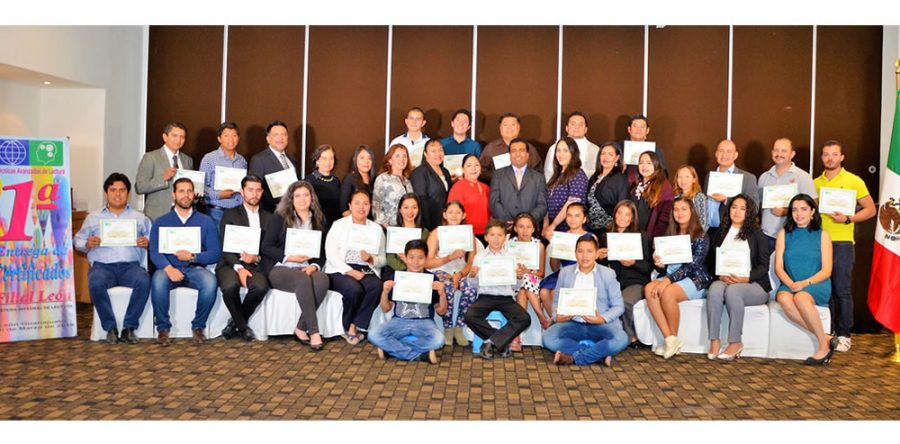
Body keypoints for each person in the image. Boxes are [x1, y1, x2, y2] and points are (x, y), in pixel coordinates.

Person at [812, 140, 876, 352]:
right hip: (819, 242)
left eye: (834, 154)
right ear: (821, 157)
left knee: (842, 289)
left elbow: (870, 210)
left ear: (842, 157)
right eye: (826, 154)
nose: (830, 158)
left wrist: (849, 218)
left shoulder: (853, 180)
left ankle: (844, 334)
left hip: (842, 242)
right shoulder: (814, 183)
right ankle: (827, 332)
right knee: (824, 289)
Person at [74, 173, 152, 344]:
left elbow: (153, 238)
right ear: (106, 193)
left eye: (122, 190)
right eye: (113, 190)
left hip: (130, 266)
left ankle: (129, 327)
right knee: (95, 282)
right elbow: (78, 240)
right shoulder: (93, 217)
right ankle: (110, 327)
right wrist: (87, 243)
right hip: (103, 266)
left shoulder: (139, 217)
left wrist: (146, 241)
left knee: (144, 280)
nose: (118, 194)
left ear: (128, 193)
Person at [149, 178, 222, 346]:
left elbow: (215, 253)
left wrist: (193, 257)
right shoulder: (160, 222)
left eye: (189, 191)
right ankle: (162, 328)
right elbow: (154, 251)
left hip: (194, 268)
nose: (186, 195)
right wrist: (168, 268)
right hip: (168, 269)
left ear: (194, 195)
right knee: (158, 280)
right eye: (181, 191)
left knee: (210, 282)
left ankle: (198, 327)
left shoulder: (206, 221)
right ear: (173, 195)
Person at [261, 181, 330, 351]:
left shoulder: (319, 220)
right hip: (280, 268)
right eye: (297, 195)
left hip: (306, 267)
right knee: (302, 280)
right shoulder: (280, 217)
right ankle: (314, 332)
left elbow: (322, 252)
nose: (302, 199)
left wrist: (314, 266)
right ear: (291, 199)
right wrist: (289, 256)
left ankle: (300, 328)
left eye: (306, 195)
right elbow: (266, 247)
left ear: (312, 198)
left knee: (322, 280)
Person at [543, 234, 629, 366]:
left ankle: (574, 358)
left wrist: (602, 318)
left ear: (596, 254)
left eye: (589, 251)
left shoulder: (608, 274)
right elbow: (556, 301)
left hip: (600, 324)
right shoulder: (565, 272)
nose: (584, 256)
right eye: (580, 251)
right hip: (573, 323)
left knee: (621, 339)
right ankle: (597, 355)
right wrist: (557, 317)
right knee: (547, 338)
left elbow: (618, 306)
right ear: (575, 253)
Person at [706, 194, 771, 361]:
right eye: (734, 207)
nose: (737, 211)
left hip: (754, 284)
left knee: (733, 292)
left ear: (749, 212)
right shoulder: (720, 233)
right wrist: (719, 274)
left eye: (743, 208)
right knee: (714, 290)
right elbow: (710, 261)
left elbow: (764, 267)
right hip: (724, 279)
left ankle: (735, 342)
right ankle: (714, 340)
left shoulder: (758, 235)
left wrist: (745, 278)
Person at [644, 196, 710, 359]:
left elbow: (692, 266)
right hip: (671, 276)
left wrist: (667, 281)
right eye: (676, 209)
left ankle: (672, 339)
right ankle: (670, 339)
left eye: (683, 209)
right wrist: (660, 264)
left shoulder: (701, 235)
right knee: (649, 288)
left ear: (691, 211)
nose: (679, 213)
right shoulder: (670, 234)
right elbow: (668, 264)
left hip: (694, 279)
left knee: (667, 293)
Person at [774, 194, 837, 365]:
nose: (799, 214)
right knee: (784, 298)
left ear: (812, 212)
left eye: (804, 209)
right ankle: (826, 337)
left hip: (816, 283)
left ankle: (823, 346)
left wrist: (805, 284)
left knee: (801, 298)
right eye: (794, 210)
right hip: (791, 282)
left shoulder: (823, 235)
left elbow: (827, 270)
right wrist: (790, 284)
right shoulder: (784, 234)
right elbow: (778, 267)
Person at [370, 239, 448, 364]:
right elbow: (386, 308)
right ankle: (419, 356)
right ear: (405, 258)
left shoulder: (432, 278)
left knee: (439, 340)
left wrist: (442, 293)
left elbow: (442, 311)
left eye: (420, 258)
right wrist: (384, 292)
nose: (416, 262)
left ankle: (390, 350)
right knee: (373, 334)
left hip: (424, 322)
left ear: (426, 258)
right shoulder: (397, 277)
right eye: (411, 258)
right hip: (399, 321)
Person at [324, 189, 386, 345]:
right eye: (357, 203)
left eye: (365, 203)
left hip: (365, 269)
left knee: (376, 286)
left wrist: (371, 258)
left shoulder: (376, 228)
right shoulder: (339, 225)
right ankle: (346, 327)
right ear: (350, 206)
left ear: (370, 206)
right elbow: (330, 253)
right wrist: (350, 271)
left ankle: (355, 325)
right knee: (354, 289)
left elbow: (383, 259)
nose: (361, 207)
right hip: (340, 269)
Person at [215, 175, 272, 342]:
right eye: (250, 190)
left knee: (261, 287)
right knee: (230, 286)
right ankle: (241, 326)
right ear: (242, 192)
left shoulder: (269, 217)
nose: (254, 194)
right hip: (229, 263)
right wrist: (239, 268)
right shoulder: (230, 214)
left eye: (258, 190)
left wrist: (256, 257)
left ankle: (233, 324)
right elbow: (225, 247)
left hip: (255, 264)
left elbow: (269, 247)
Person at [465, 219, 532, 359]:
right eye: (492, 235)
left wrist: (519, 277)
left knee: (524, 318)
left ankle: (491, 341)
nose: (496, 239)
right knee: (469, 316)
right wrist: (472, 275)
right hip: (485, 296)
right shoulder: (479, 257)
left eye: (500, 235)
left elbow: (515, 287)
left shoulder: (511, 257)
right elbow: (473, 285)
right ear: (486, 237)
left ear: (505, 237)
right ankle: (500, 340)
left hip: (506, 297)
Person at [597, 200, 652, 348]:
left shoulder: (641, 237)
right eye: (619, 213)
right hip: (614, 282)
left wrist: (633, 263)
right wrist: (599, 257)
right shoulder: (606, 236)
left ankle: (628, 336)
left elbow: (648, 267)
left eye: (627, 214)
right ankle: (605, 334)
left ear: (632, 218)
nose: (622, 217)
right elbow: (602, 268)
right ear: (614, 215)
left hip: (636, 282)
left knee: (625, 302)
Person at [425, 200, 477, 346]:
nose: (454, 216)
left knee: (470, 289)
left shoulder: (468, 234)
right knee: (447, 287)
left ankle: (459, 327)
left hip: (461, 271)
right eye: (450, 212)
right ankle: (447, 328)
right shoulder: (437, 232)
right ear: (444, 214)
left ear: (463, 215)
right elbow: (428, 262)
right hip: (441, 269)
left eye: (458, 212)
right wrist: (449, 257)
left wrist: (460, 275)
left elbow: (472, 262)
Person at [758, 137, 818, 252]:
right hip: (766, 237)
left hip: (792, 236)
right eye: (776, 150)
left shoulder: (803, 177)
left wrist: (786, 211)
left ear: (792, 154)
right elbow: (759, 206)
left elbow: (813, 205)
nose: (779, 154)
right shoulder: (764, 177)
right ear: (772, 153)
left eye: (784, 151)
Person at [539, 203, 590, 325]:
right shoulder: (560, 237)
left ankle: (564, 325)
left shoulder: (590, 237)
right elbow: (554, 267)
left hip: (583, 274)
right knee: (545, 291)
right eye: (569, 215)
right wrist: (555, 250)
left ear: (584, 219)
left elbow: (593, 264)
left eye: (577, 216)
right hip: (564, 272)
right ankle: (558, 323)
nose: (572, 219)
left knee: (556, 291)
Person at [135, 122, 193, 221]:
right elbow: (139, 187)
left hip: (183, 216)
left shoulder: (187, 160)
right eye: (174, 136)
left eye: (182, 137)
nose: (178, 140)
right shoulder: (151, 157)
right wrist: (163, 178)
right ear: (165, 137)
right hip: (157, 216)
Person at [704, 140, 758, 240]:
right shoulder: (709, 176)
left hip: (733, 234)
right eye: (721, 151)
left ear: (736, 155)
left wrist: (726, 200)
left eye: (729, 151)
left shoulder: (748, 178)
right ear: (716, 153)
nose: (724, 155)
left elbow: (754, 208)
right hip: (708, 232)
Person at [489, 138, 548, 227]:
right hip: (505, 227)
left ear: (528, 154)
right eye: (514, 151)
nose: (518, 154)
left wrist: (526, 221)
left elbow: (542, 205)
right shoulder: (498, 175)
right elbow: (494, 201)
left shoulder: (538, 177)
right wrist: (507, 220)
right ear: (509, 155)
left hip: (529, 229)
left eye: (521, 150)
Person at [199, 122, 248, 228]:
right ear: (219, 139)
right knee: (217, 243)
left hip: (238, 212)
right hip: (216, 212)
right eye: (226, 135)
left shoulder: (242, 161)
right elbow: (201, 186)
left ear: (238, 138)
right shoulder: (209, 159)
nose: (231, 139)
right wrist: (219, 195)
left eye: (234, 135)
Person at [542, 137, 590, 240]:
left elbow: (572, 203)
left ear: (573, 153)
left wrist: (553, 225)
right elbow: (546, 202)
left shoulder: (577, 174)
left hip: (567, 229)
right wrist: (546, 225)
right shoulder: (556, 175)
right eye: (558, 150)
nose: (561, 154)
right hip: (551, 229)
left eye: (565, 150)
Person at [248, 120, 298, 213]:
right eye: (276, 135)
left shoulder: (292, 160)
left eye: (284, 135)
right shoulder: (259, 159)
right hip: (270, 213)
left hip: (292, 212)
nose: (281, 138)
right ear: (268, 139)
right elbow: (255, 189)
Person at [479, 113, 542, 183]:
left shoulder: (529, 148)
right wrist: (497, 177)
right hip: (498, 189)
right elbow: (481, 170)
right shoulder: (491, 148)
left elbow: (538, 171)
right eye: (505, 125)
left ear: (519, 127)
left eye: (513, 125)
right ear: (500, 127)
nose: (509, 128)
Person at [509, 212, 547, 330]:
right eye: (521, 227)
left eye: (528, 227)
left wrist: (527, 272)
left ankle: (518, 333)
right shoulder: (509, 245)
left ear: (533, 229)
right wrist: (518, 273)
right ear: (515, 228)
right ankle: (541, 316)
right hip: (514, 280)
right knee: (522, 284)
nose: (524, 231)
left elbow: (541, 273)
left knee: (523, 287)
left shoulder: (539, 246)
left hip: (533, 280)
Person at [382, 193, 430, 281]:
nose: (410, 212)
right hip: (396, 270)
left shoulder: (425, 232)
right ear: (400, 209)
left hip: (419, 272)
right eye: (406, 207)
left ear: (418, 209)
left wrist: (413, 266)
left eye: (414, 207)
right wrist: (407, 268)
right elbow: (390, 258)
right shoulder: (393, 231)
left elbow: (426, 257)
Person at [586, 141, 629, 238]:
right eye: (603, 153)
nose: (606, 157)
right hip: (591, 229)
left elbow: (622, 204)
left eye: (610, 154)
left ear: (617, 158)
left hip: (608, 230)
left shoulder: (619, 178)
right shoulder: (595, 177)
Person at [630, 151, 674, 243]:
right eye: (641, 162)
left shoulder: (664, 185)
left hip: (650, 238)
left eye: (649, 163)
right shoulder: (635, 184)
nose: (644, 166)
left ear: (656, 165)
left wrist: (657, 238)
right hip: (633, 235)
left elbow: (665, 217)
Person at [544, 112, 601, 181]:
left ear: (586, 129)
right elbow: (548, 173)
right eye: (573, 124)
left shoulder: (595, 149)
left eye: (580, 124)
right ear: (567, 128)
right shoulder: (554, 148)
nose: (576, 127)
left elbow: (598, 173)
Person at [410, 139, 453, 231]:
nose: (438, 154)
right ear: (425, 154)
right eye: (433, 151)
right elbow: (421, 201)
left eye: (440, 150)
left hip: (445, 222)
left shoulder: (445, 172)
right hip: (429, 224)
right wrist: (429, 227)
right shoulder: (419, 172)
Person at [447, 154, 491, 240]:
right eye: (469, 165)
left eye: (476, 165)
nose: (473, 168)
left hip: (486, 234)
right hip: (466, 234)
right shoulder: (458, 187)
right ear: (463, 169)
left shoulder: (486, 187)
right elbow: (452, 214)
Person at [372, 144, 414, 227]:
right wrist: (386, 227)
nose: (401, 159)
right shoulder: (382, 179)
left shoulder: (408, 181)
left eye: (404, 156)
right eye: (397, 156)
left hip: (406, 227)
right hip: (388, 228)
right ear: (390, 160)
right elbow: (376, 207)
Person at [623, 114, 668, 181]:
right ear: (629, 129)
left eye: (642, 127)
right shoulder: (619, 148)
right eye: (635, 126)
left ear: (647, 130)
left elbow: (663, 174)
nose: (638, 129)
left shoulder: (655, 150)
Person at [309, 144, 342, 225]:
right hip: (317, 225)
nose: (328, 162)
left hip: (335, 225)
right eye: (324, 158)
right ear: (317, 161)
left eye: (331, 158)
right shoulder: (310, 181)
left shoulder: (336, 180)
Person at [339, 144, 376, 218]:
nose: (366, 162)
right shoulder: (349, 179)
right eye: (362, 158)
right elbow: (344, 209)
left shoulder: (375, 180)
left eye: (369, 158)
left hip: (372, 224)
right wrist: (359, 224)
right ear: (355, 160)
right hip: (355, 224)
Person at [673, 165, 709, 232]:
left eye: (687, 176)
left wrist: (695, 239)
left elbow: (704, 223)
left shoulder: (699, 197)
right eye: (680, 177)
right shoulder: (675, 198)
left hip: (695, 236)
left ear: (694, 179)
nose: (683, 180)